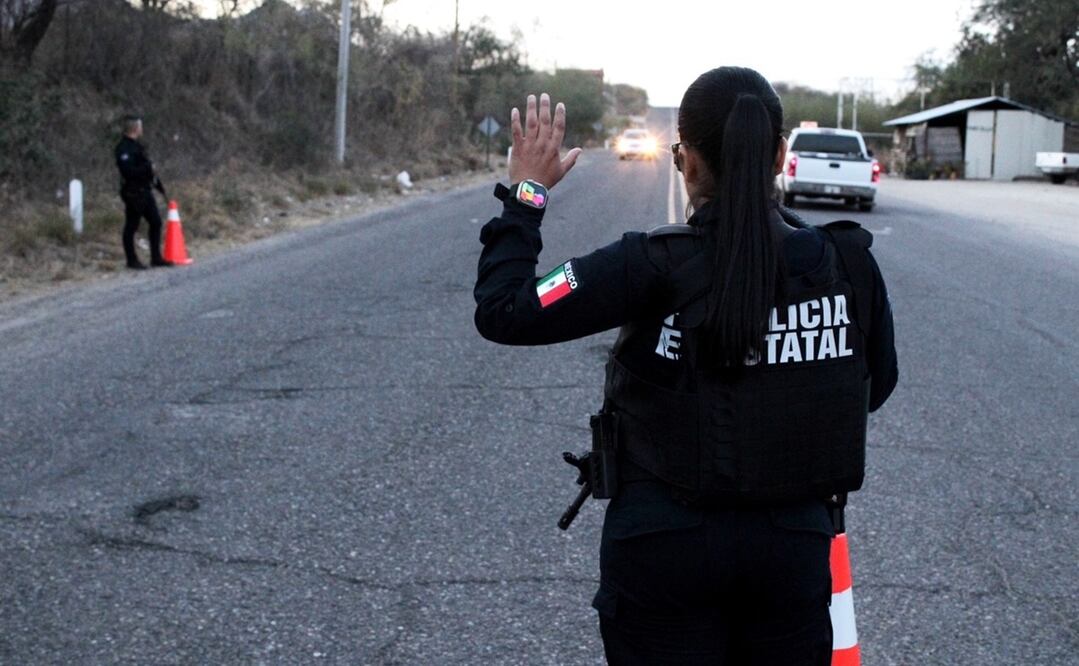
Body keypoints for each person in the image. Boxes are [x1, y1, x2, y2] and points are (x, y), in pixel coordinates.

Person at [473, 68, 898, 665]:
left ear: (687, 163)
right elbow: (870, 389)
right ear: (779, 154)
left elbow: (505, 309)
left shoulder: (644, 264)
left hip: (661, 549)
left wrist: (526, 196)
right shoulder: (848, 264)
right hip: (792, 552)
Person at [115, 115, 170, 269]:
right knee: (131, 225)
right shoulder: (123, 149)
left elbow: (148, 168)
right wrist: (148, 168)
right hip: (133, 193)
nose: (142, 129)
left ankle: (156, 257)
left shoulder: (138, 146)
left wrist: (159, 186)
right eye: (140, 126)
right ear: (134, 128)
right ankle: (131, 260)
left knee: (156, 222)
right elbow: (128, 172)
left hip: (145, 190)